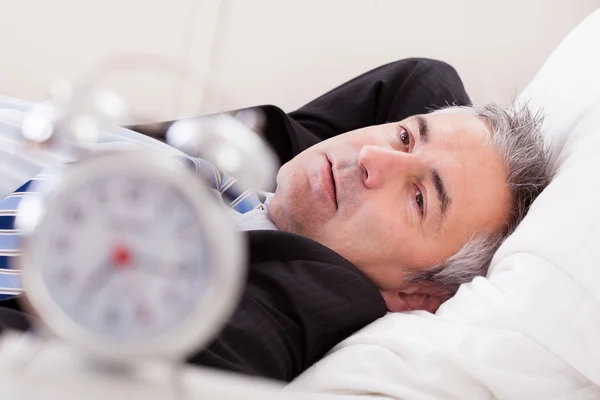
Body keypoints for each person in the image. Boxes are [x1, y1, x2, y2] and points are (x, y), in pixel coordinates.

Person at [0, 58, 550, 382]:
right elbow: (423, 81)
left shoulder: (286, 303)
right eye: (405, 135)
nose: (372, 160)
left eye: (420, 200)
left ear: (419, 296)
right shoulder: (257, 175)